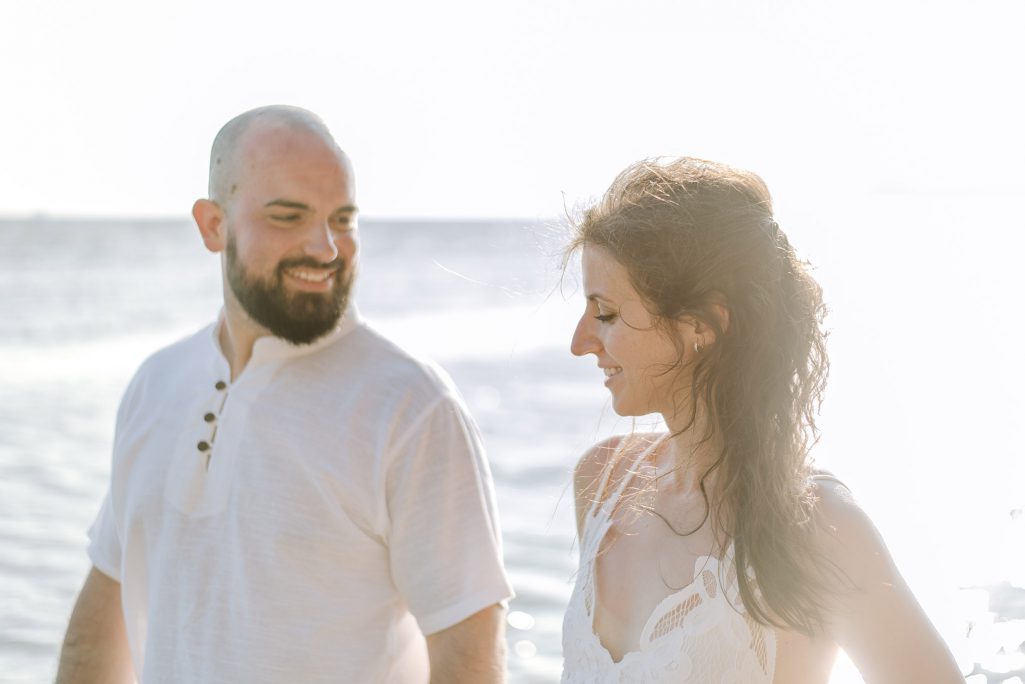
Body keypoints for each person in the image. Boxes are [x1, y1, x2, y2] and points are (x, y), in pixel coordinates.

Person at [56, 105, 513, 683]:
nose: (325, 248)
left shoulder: (411, 407)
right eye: (288, 216)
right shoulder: (156, 383)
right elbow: (108, 596)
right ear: (212, 225)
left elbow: (468, 650)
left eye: (342, 220)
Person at [560, 157, 963, 682]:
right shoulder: (603, 480)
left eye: (606, 312)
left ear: (700, 325)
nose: (579, 343)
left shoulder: (815, 527)